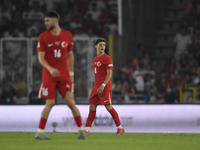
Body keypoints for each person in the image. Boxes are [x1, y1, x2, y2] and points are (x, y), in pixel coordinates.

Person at [34, 11, 85, 140]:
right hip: (49, 75)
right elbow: (40, 58)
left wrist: (71, 72)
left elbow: (70, 55)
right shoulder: (43, 37)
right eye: (45, 21)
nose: (45, 23)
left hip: (64, 75)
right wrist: (50, 69)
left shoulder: (68, 35)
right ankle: (40, 132)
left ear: (55, 21)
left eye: (47, 21)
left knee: (71, 103)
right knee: (50, 103)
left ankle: (81, 131)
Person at [83, 38, 125, 135]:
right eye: (100, 45)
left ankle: (120, 128)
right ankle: (86, 131)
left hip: (104, 86)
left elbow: (109, 74)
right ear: (96, 46)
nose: (102, 47)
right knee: (92, 107)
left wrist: (103, 85)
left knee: (108, 106)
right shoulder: (95, 59)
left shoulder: (107, 58)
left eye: (104, 45)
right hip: (96, 85)